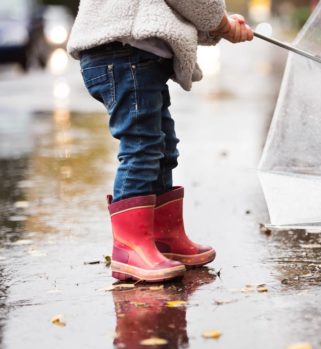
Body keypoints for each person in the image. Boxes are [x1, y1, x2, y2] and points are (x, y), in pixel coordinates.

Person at [67, 1, 253, 283]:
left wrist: (222, 23)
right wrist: (223, 25)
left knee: (162, 147)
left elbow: (162, 11)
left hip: (132, 53)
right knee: (142, 146)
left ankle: (163, 239)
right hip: (124, 53)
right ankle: (129, 248)